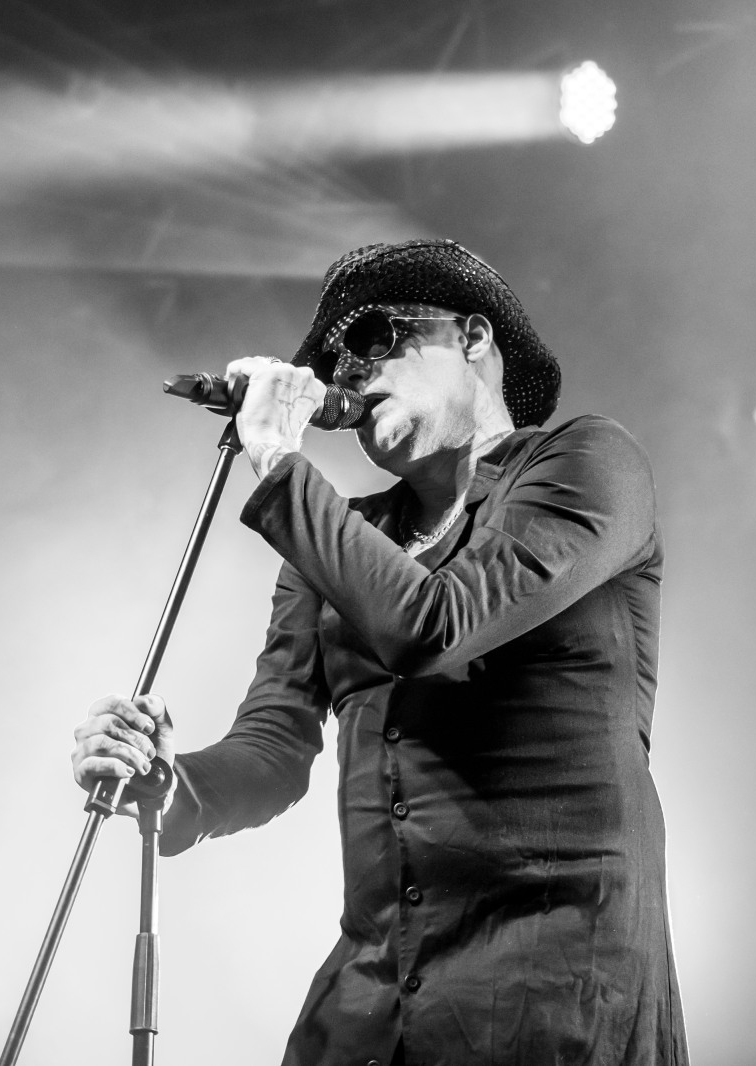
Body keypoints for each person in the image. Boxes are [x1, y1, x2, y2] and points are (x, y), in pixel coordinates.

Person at [72, 239, 688, 1065]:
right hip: (371, 1002)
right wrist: (166, 781)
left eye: (372, 337)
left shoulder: (586, 463)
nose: (349, 373)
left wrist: (277, 460)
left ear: (472, 336)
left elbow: (434, 625)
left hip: (553, 993)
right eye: (333, 364)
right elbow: (273, 747)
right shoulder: (341, 540)